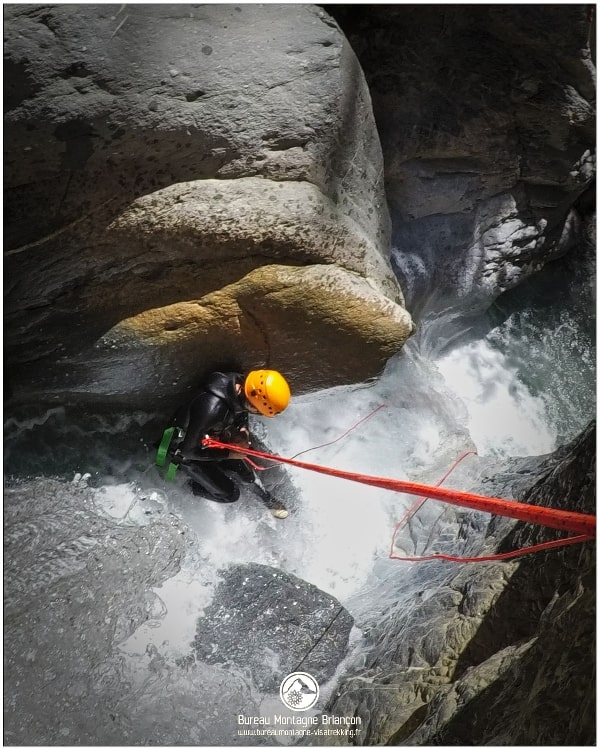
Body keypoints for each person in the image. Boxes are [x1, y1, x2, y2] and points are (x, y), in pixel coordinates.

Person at [157, 369, 291, 519]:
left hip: (208, 438)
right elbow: (188, 451)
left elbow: (242, 411)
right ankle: (189, 487)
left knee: (246, 475)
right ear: (253, 405)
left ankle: (266, 499)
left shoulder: (239, 385)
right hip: (183, 452)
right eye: (258, 411)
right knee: (230, 495)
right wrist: (228, 454)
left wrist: (243, 430)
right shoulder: (212, 409)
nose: (257, 413)